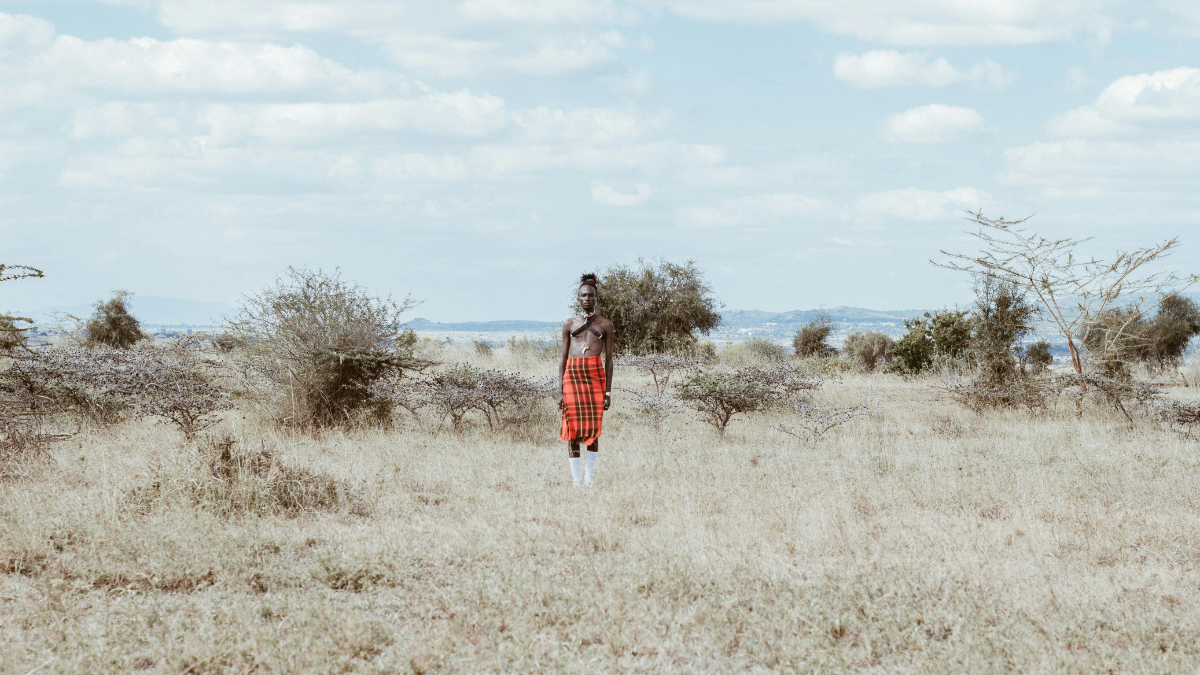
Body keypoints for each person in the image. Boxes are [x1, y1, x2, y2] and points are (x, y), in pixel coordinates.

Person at [559, 273, 614, 486]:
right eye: (583, 295)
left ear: (596, 298)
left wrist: (608, 392)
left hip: (595, 378)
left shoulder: (605, 325)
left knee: (593, 430)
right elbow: (563, 359)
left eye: (591, 295)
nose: (587, 299)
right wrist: (560, 391)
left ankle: (589, 481)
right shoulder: (569, 324)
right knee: (572, 429)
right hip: (572, 378)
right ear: (578, 298)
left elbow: (609, 361)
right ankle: (576, 481)